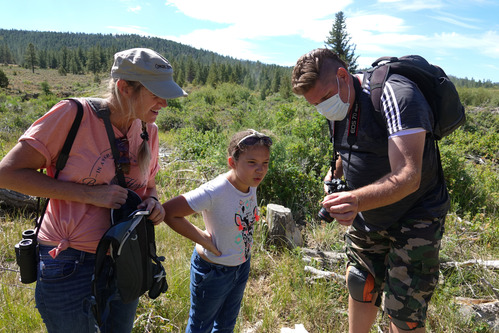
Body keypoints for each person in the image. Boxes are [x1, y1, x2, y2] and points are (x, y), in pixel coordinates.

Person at [0, 48, 187, 332]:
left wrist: (154, 204)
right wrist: (89, 194)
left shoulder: (149, 130)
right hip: (69, 262)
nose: (163, 102)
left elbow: (148, 185)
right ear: (125, 88)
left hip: (125, 259)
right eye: (155, 93)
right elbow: (7, 173)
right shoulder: (73, 115)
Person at [291, 48, 449, 332]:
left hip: (416, 214)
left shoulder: (397, 94)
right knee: (360, 283)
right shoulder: (339, 99)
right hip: (368, 214)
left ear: (342, 75)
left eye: (324, 98)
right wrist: (334, 173)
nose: (323, 107)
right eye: (315, 104)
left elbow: (409, 175)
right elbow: (354, 145)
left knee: (404, 311)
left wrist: (354, 200)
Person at [159, 129, 272, 333]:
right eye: (252, 162)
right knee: (201, 327)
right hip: (214, 272)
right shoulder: (215, 190)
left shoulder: (250, 183)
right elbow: (168, 212)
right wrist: (203, 239)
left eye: (265, 163)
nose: (260, 170)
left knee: (226, 326)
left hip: (240, 266)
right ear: (232, 162)